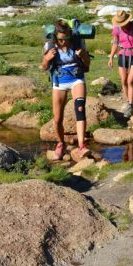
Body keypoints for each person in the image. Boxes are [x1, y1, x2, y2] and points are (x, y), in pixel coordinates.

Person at [40, 20, 91, 161]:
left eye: (67, 38)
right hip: (59, 82)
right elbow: (43, 67)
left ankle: (82, 145)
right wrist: (46, 58)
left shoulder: (78, 43)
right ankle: (61, 143)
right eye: (61, 39)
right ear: (56, 37)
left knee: (80, 110)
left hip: (77, 79)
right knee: (57, 119)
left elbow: (87, 65)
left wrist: (83, 56)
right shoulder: (49, 46)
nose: (64, 42)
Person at [108, 10, 133, 118]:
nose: (122, 26)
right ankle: (127, 100)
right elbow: (115, 43)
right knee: (124, 81)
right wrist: (111, 57)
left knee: (130, 81)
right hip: (122, 55)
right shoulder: (117, 29)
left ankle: (130, 105)